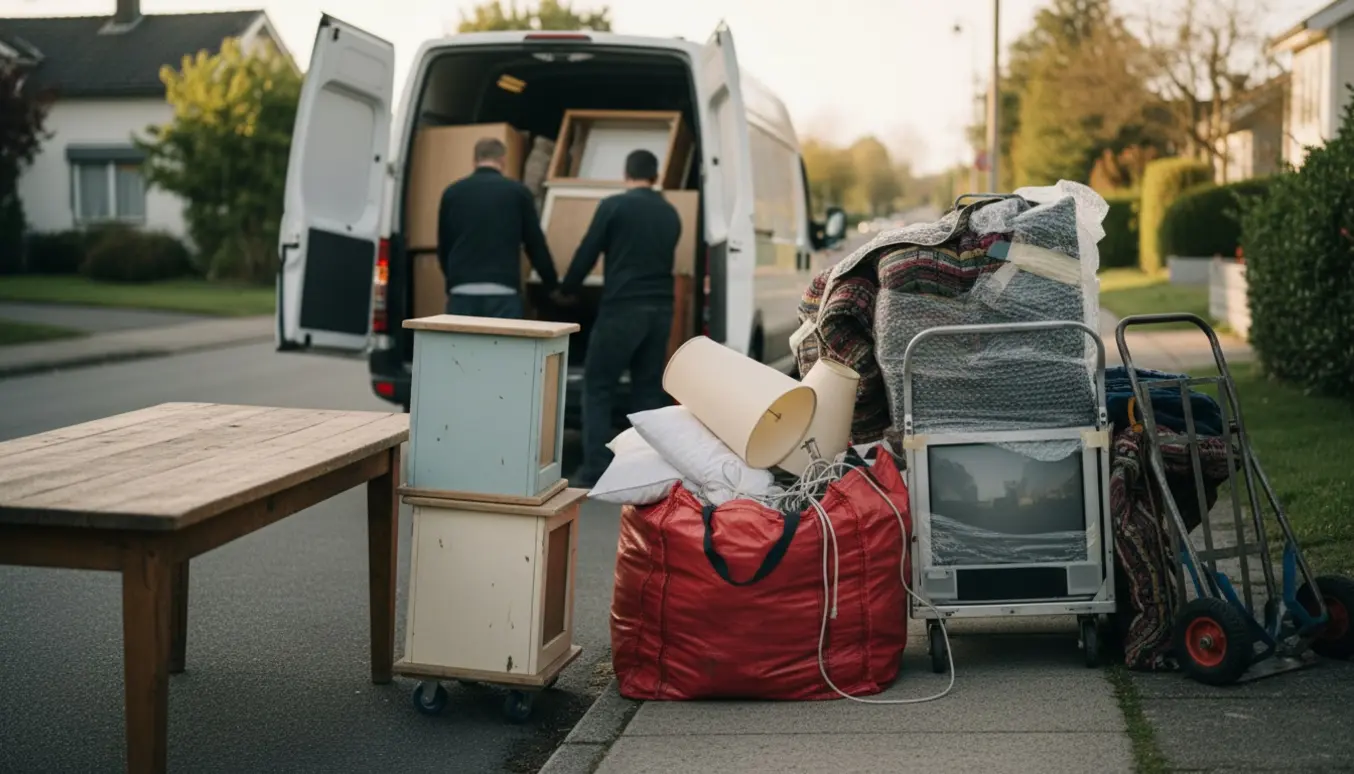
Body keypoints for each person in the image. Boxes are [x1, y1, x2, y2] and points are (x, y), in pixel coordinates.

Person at [554, 149, 682, 487]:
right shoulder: (670, 213)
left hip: (623, 309)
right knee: (646, 390)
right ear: (654, 176)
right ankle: (646, 468)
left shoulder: (614, 206)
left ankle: (595, 466)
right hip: (660, 311)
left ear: (627, 174)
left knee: (597, 385)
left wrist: (565, 289)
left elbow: (588, 250)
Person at [437, 137, 557, 318]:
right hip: (503, 291)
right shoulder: (518, 193)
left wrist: (455, 278)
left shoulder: (452, 193)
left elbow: (444, 246)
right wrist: (552, 285)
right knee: (502, 346)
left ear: (474, 160)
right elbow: (535, 244)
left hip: (462, 291)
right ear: (503, 160)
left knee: (462, 346)